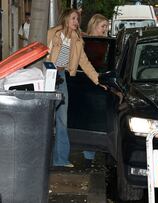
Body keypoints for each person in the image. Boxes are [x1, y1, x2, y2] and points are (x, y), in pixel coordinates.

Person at [47, 9, 105, 168]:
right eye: (73, 18)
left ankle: (60, 159)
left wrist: (99, 81)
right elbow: (43, 54)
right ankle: (44, 157)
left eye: (77, 19)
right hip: (47, 76)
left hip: (61, 78)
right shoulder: (53, 33)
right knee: (45, 119)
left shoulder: (77, 40)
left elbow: (85, 64)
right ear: (65, 18)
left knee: (62, 120)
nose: (76, 22)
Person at [82, 14, 109, 167]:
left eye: (106, 26)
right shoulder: (86, 42)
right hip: (87, 82)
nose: (105, 29)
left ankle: (94, 152)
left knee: (97, 119)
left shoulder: (104, 42)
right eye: (102, 26)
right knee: (89, 119)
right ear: (94, 25)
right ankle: (88, 156)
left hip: (100, 82)